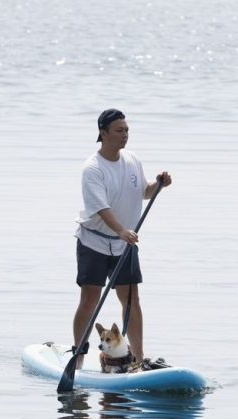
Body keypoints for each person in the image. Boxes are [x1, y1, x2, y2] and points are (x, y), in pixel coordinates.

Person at [72, 108, 172, 368]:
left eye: (127, 130)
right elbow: (101, 209)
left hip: (124, 244)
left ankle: (137, 359)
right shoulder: (92, 168)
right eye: (119, 130)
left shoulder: (132, 160)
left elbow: (143, 192)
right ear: (103, 134)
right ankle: (78, 357)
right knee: (90, 298)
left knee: (131, 299)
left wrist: (158, 185)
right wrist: (121, 230)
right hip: (94, 241)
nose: (124, 135)